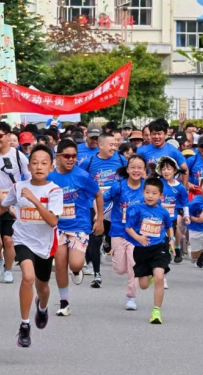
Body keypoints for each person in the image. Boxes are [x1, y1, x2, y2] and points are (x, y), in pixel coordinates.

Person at [0, 146, 61, 348]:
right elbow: (3, 207)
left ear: (51, 167)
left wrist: (34, 200)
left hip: (45, 245)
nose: (39, 167)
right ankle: (25, 325)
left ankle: (42, 307)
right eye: (35, 163)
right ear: (28, 166)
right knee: (28, 277)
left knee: (43, 288)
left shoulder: (54, 191)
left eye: (44, 163)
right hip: (22, 240)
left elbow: (53, 221)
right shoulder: (18, 187)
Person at [49, 139, 103, 316]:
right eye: (67, 156)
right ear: (58, 156)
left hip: (79, 225)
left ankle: (77, 269)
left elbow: (98, 194)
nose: (71, 159)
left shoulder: (82, 176)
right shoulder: (50, 178)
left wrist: (100, 219)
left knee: (75, 263)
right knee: (60, 264)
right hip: (58, 227)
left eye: (74, 156)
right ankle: (64, 302)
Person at [124, 176, 173, 325]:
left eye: (154, 193)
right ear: (143, 193)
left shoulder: (163, 212)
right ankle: (150, 274)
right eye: (147, 192)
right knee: (144, 285)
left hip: (159, 248)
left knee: (159, 277)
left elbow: (169, 227)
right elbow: (128, 227)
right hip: (142, 250)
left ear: (161, 196)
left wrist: (172, 241)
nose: (150, 196)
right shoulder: (137, 209)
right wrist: (138, 238)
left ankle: (156, 311)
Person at [0, 121, 31, 285]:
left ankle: (8, 270)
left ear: (7, 136)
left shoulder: (18, 156)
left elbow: (29, 178)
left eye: (0, 136)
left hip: (13, 203)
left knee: (9, 240)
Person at [80, 133, 126, 288]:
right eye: (111, 144)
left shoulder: (121, 160)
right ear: (101, 145)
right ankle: (97, 273)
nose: (114, 147)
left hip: (115, 205)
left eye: (115, 144)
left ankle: (107, 242)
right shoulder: (89, 161)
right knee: (95, 237)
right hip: (94, 204)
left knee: (111, 236)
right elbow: (80, 179)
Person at [104, 154, 146, 311]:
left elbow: (156, 205)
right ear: (127, 169)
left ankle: (131, 297)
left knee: (133, 265)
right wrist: (98, 215)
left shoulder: (147, 187)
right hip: (118, 231)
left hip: (137, 234)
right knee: (120, 269)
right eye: (133, 167)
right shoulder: (118, 186)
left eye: (139, 168)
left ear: (144, 170)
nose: (136, 170)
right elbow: (101, 199)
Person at [156, 157, 188, 272]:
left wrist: (186, 215)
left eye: (168, 169)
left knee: (172, 232)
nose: (166, 171)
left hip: (173, 215)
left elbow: (185, 202)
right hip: (158, 216)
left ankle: (176, 248)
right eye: (163, 169)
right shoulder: (158, 183)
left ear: (175, 170)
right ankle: (165, 256)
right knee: (162, 240)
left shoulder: (180, 187)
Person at [137, 119, 188, 183]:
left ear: (165, 134)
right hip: (149, 186)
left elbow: (185, 169)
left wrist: (184, 187)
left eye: (159, 134)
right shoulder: (141, 150)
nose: (156, 136)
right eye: (154, 134)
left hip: (168, 187)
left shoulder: (173, 151)